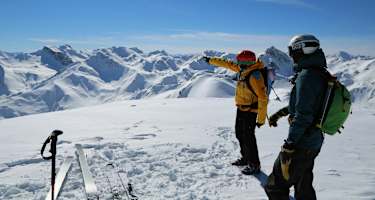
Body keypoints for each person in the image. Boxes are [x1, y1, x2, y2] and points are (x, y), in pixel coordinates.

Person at [265, 34, 328, 200]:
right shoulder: (318, 72)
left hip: (302, 143)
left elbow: (303, 115)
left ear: (302, 49)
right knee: (303, 183)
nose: (291, 55)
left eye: (292, 50)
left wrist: (290, 144)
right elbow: (304, 105)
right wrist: (280, 114)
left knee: (275, 186)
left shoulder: (307, 77)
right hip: (313, 140)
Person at [203, 50, 268, 175]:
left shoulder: (255, 76)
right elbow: (227, 64)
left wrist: (261, 119)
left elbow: (263, 98)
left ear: (246, 62)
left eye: (240, 61)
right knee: (240, 134)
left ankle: (254, 165)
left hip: (251, 111)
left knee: (249, 138)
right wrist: (211, 60)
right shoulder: (243, 70)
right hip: (241, 109)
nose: (238, 63)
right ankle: (246, 158)